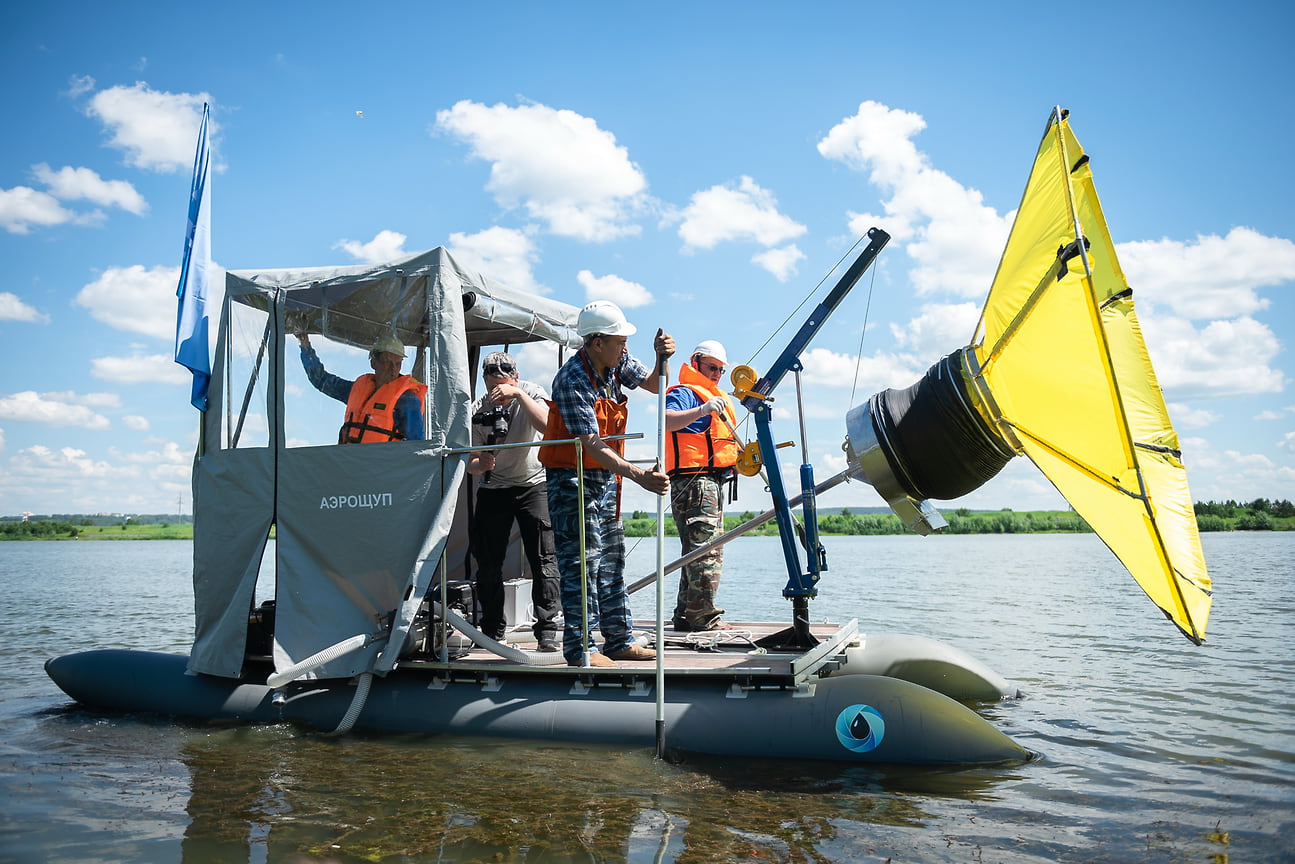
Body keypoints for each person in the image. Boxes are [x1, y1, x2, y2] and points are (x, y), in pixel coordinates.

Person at [539, 300, 674, 667]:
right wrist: (639, 476)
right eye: (619, 340)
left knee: (612, 561)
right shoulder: (572, 380)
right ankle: (581, 649)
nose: (625, 346)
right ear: (596, 342)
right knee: (581, 564)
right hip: (572, 482)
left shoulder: (617, 364)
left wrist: (662, 359)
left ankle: (619, 640)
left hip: (606, 478)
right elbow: (591, 443)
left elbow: (652, 384)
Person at [466, 352, 561, 651]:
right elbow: (466, 461)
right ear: (485, 383)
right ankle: (492, 631)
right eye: (492, 386)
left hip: (534, 484)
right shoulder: (477, 408)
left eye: (503, 385)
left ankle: (546, 631)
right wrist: (480, 464)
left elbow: (549, 427)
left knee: (543, 560)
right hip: (494, 487)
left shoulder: (531, 392)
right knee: (488, 563)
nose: (499, 393)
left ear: (515, 378)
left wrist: (517, 395)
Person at [664, 340, 739, 631]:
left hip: (711, 482)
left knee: (696, 551)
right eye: (712, 368)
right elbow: (666, 419)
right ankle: (704, 617)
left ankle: (686, 614)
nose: (716, 375)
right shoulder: (686, 394)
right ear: (695, 362)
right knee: (707, 551)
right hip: (696, 483)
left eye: (721, 370)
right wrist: (704, 408)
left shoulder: (713, 396)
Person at [296, 333, 426, 443]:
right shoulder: (356, 390)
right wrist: (304, 343)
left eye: (398, 364)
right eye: (387, 362)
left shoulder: (407, 401)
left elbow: (417, 447)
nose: (393, 369)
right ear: (373, 362)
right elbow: (321, 379)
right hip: (348, 468)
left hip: (383, 471)